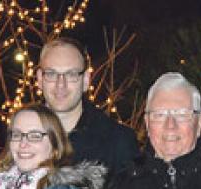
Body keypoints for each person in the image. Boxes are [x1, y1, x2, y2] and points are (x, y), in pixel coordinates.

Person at [37, 37, 138, 179]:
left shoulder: (117, 142)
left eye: (71, 74)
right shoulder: (21, 138)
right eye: (52, 74)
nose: (61, 84)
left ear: (85, 80)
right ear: (40, 79)